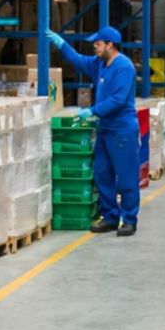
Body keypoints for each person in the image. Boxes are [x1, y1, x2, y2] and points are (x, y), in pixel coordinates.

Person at [46, 26, 140, 237]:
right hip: (105, 129)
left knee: (126, 177)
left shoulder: (124, 67)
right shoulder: (100, 64)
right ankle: (110, 216)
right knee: (102, 174)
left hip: (122, 130)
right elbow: (79, 60)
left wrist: (92, 111)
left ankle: (130, 219)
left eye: (98, 44)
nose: (95, 47)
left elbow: (118, 100)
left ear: (110, 45)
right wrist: (61, 44)